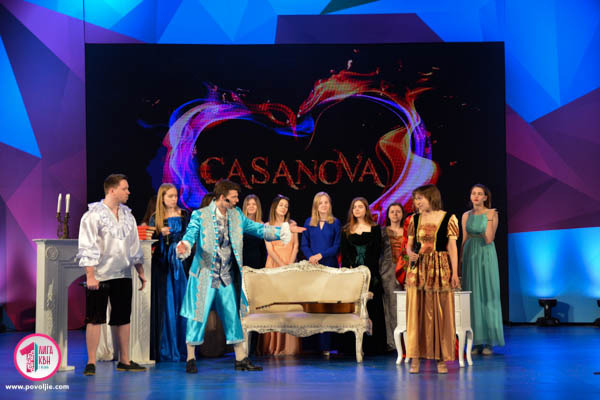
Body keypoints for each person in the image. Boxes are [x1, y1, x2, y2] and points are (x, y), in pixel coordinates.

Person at [176, 180, 305, 373]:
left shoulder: (236, 215)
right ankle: (190, 358)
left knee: (233, 315)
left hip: (226, 275)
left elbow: (258, 229)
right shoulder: (200, 215)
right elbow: (190, 234)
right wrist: (184, 245)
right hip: (204, 274)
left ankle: (241, 358)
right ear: (223, 197)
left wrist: (282, 231)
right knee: (198, 315)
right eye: (234, 197)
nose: (237, 200)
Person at [76, 174, 147, 376]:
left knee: (122, 318)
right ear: (112, 190)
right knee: (95, 318)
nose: (128, 192)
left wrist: (140, 272)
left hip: (123, 273)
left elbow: (134, 247)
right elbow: (87, 245)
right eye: (125, 188)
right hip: (100, 275)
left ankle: (124, 359)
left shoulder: (128, 216)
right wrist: (90, 275)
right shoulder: (93, 215)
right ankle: (91, 361)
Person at [405, 184, 460, 374]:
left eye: (420, 198)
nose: (416, 202)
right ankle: (415, 358)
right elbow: (409, 245)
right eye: (415, 199)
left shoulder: (448, 218)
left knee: (439, 313)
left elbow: (452, 247)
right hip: (418, 269)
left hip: (439, 268)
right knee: (416, 313)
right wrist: (410, 253)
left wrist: (455, 272)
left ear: (431, 197)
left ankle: (441, 359)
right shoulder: (414, 219)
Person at [461, 184, 504, 355]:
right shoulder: (466, 215)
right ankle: (475, 341)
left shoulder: (492, 213)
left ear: (486, 197)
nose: (476, 196)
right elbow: (464, 238)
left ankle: (489, 341)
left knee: (487, 294)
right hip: (470, 254)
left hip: (486, 254)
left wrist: (489, 218)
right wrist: (460, 260)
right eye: (474, 193)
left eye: (480, 194)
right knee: (472, 297)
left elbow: (489, 238)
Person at [149, 183, 190, 362]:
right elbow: (149, 243)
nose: (174, 199)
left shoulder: (184, 215)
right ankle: (167, 347)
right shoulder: (155, 218)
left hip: (181, 263)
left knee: (182, 300)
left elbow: (190, 236)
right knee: (167, 302)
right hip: (163, 265)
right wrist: (159, 234)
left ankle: (184, 347)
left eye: (175, 196)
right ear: (162, 198)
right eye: (170, 196)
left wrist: (182, 245)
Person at [340, 197, 386, 355]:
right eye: (354, 207)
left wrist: (366, 271)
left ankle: (374, 347)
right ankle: (351, 348)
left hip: (371, 274)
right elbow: (345, 254)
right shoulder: (346, 230)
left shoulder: (375, 229)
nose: (357, 209)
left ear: (366, 209)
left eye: (360, 206)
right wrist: (351, 270)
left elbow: (376, 252)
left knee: (372, 307)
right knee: (354, 309)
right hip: (352, 275)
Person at [258, 195, 301, 355]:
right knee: (273, 305)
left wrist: (289, 265)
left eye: (286, 206)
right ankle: (272, 346)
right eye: (281, 205)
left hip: (290, 265)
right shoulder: (267, 225)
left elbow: (296, 246)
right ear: (275, 207)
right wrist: (282, 266)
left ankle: (289, 346)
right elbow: (270, 249)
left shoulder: (292, 224)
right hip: (273, 266)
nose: (284, 208)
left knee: (289, 306)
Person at [300, 192, 341, 355]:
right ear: (316, 206)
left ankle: (327, 346)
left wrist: (320, 255)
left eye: (326, 202)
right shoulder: (308, 222)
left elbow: (336, 246)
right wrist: (311, 256)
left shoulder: (335, 223)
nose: (324, 205)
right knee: (314, 305)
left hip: (330, 267)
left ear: (330, 205)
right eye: (320, 203)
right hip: (313, 268)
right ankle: (312, 346)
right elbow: (304, 245)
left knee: (328, 306)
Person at [379, 202, 405, 351]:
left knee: (405, 305)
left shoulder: (407, 231)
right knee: (390, 305)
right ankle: (392, 342)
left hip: (405, 269)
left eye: (398, 211)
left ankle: (406, 341)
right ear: (388, 215)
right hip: (387, 270)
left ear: (402, 214)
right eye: (392, 212)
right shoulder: (383, 232)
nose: (395, 214)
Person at [242, 194, 267, 269]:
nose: (251, 206)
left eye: (254, 204)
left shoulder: (262, 225)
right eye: (248, 204)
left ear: (257, 207)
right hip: (242, 262)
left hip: (257, 263)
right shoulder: (239, 223)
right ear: (245, 207)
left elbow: (263, 250)